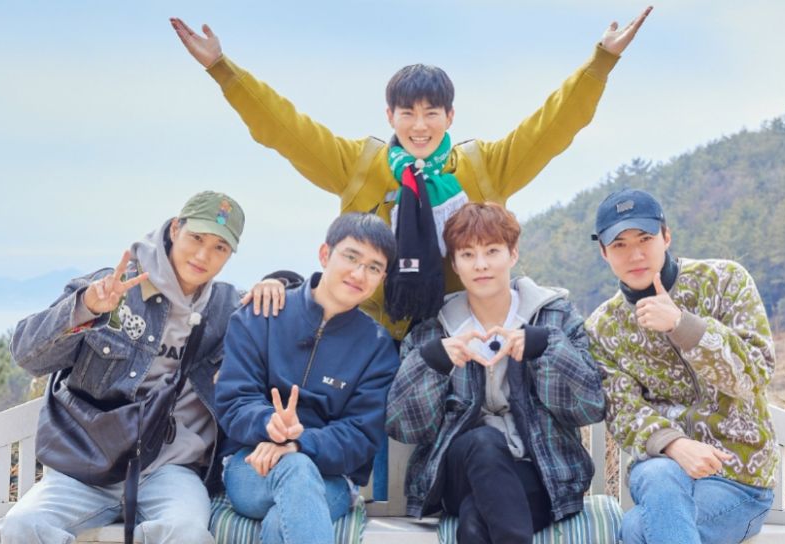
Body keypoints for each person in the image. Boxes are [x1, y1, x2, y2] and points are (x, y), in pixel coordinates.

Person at [169, 7, 651, 340]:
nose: (419, 126)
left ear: (450, 116)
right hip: (370, 332)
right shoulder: (360, 165)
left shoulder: (484, 168)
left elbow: (552, 126)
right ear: (390, 116)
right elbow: (285, 128)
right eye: (408, 114)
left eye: (431, 113)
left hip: (458, 331)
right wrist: (223, 70)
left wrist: (601, 62)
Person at [0, 191, 246, 544]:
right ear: (175, 229)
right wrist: (85, 308)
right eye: (196, 238)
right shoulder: (111, 287)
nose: (203, 255)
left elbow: (296, 318)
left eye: (220, 247)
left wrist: (278, 283)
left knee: (187, 533)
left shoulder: (228, 309)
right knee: (24, 526)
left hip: (171, 472)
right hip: (85, 465)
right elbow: (26, 354)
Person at [386, 202, 604, 544]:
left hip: (539, 470)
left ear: (512, 254)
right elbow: (404, 427)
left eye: (492, 251)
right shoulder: (432, 330)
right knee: (485, 442)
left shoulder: (555, 318)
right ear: (455, 263)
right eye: (467, 254)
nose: (481, 264)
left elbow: (589, 407)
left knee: (476, 524)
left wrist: (544, 348)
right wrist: (433, 362)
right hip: (459, 468)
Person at [585, 188, 777, 544]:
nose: (635, 254)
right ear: (604, 252)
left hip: (737, 480)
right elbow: (623, 410)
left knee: (636, 530)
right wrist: (675, 445)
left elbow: (755, 374)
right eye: (620, 245)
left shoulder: (725, 281)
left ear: (666, 236)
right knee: (657, 474)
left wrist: (683, 325)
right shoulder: (603, 327)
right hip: (661, 471)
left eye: (645, 239)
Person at [215, 213, 400, 544]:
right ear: (325, 254)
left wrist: (300, 442)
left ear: (382, 278)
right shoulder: (261, 314)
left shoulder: (377, 346)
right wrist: (270, 423)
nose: (359, 274)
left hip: (332, 478)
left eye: (373, 268)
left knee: (283, 517)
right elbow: (234, 399)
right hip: (252, 464)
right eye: (351, 257)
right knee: (295, 471)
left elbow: (361, 434)